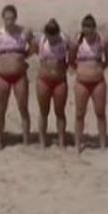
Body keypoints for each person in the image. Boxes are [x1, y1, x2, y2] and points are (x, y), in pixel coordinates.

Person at [0, 4, 34, 149]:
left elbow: (34, 47)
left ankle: (26, 140)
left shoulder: (24, 32)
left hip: (19, 76)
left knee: (23, 107)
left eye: (11, 18)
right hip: (2, 76)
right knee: (1, 109)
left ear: (15, 17)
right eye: (6, 18)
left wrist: (23, 58)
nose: (9, 21)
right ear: (3, 18)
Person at [72, 14, 108, 152]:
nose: (87, 31)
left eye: (89, 28)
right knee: (79, 113)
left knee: (100, 112)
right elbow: (71, 58)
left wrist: (99, 68)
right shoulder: (77, 40)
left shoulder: (101, 40)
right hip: (82, 82)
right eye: (85, 28)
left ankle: (103, 144)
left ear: (94, 28)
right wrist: (80, 70)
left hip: (98, 81)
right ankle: (78, 144)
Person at [34, 19, 70, 149]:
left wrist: (66, 66)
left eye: (54, 37)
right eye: (50, 36)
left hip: (59, 81)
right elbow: (31, 49)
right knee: (44, 111)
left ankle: (61, 140)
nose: (52, 39)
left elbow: (72, 53)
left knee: (60, 112)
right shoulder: (41, 40)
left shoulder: (64, 40)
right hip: (44, 80)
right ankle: (42, 141)